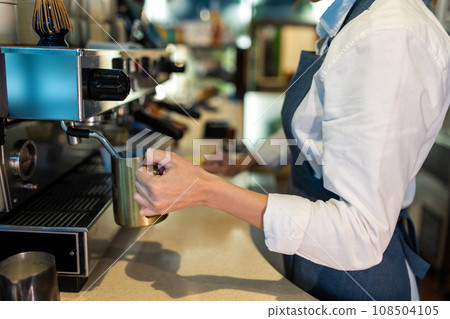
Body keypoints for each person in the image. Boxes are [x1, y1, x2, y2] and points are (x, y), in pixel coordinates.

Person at [134, 0, 450, 301]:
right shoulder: (353, 19)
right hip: (316, 258)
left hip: (354, 282)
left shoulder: (389, 36)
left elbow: (361, 232)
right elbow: (320, 129)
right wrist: (247, 160)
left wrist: (207, 191)